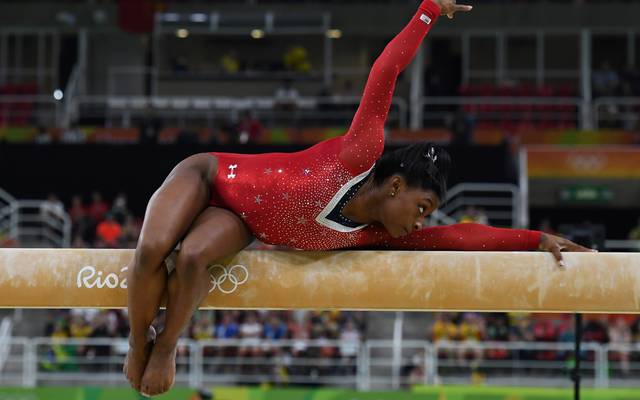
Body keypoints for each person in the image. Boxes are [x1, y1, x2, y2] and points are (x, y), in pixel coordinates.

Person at [124, 1, 592, 396]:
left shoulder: (375, 235)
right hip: (208, 174)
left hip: (243, 222)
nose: (420, 223)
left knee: (191, 259)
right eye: (421, 208)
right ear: (394, 187)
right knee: (150, 250)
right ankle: (137, 346)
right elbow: (385, 72)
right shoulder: (358, 157)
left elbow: (460, 236)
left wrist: (535, 239)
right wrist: (427, 12)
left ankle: (166, 348)